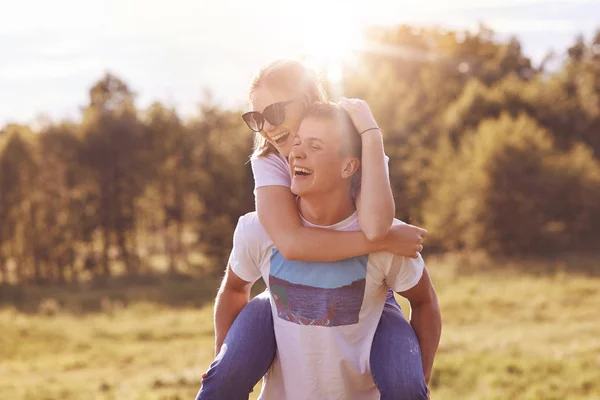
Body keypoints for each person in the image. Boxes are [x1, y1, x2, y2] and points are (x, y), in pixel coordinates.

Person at [197, 60, 431, 399]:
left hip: (370, 294)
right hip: (283, 290)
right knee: (225, 375)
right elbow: (291, 242)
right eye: (256, 118)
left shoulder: (353, 144)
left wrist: (371, 133)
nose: (266, 127)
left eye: (275, 111)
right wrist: (226, 359)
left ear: (307, 101)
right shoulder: (268, 159)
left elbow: (377, 226)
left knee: (404, 381)